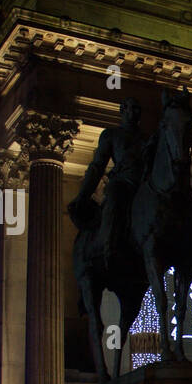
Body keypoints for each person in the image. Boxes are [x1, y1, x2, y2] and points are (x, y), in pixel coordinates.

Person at [68, 98, 155, 270]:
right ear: (122, 110)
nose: (135, 113)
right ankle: (110, 247)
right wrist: (83, 195)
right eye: (132, 108)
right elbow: (97, 166)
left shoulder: (148, 139)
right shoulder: (112, 135)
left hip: (145, 185)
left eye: (138, 109)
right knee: (114, 197)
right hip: (123, 183)